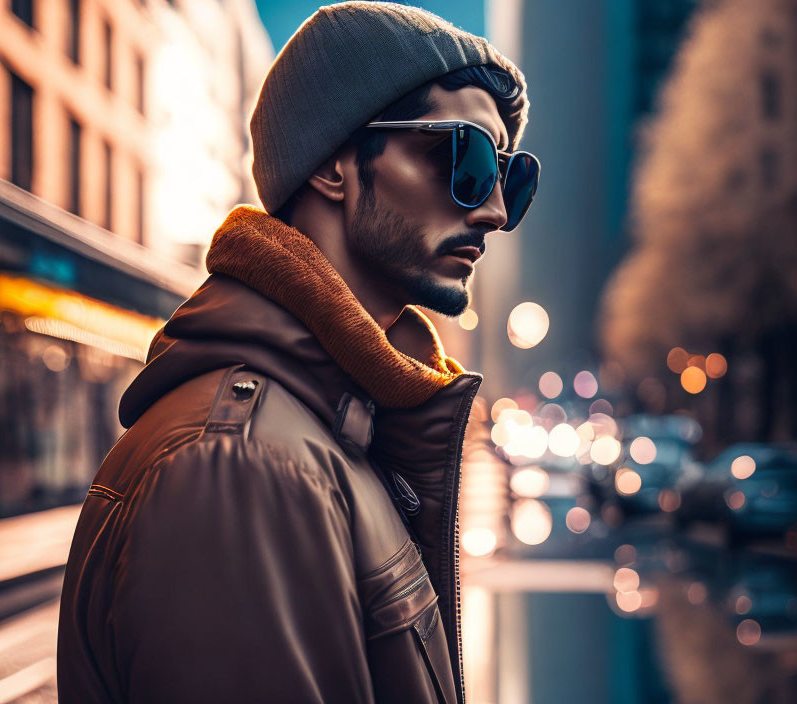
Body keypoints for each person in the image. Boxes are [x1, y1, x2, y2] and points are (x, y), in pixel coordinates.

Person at [56, 2, 536, 702]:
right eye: (463, 159)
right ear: (335, 167)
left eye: (509, 177)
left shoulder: (332, 428)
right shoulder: (241, 467)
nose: (492, 210)